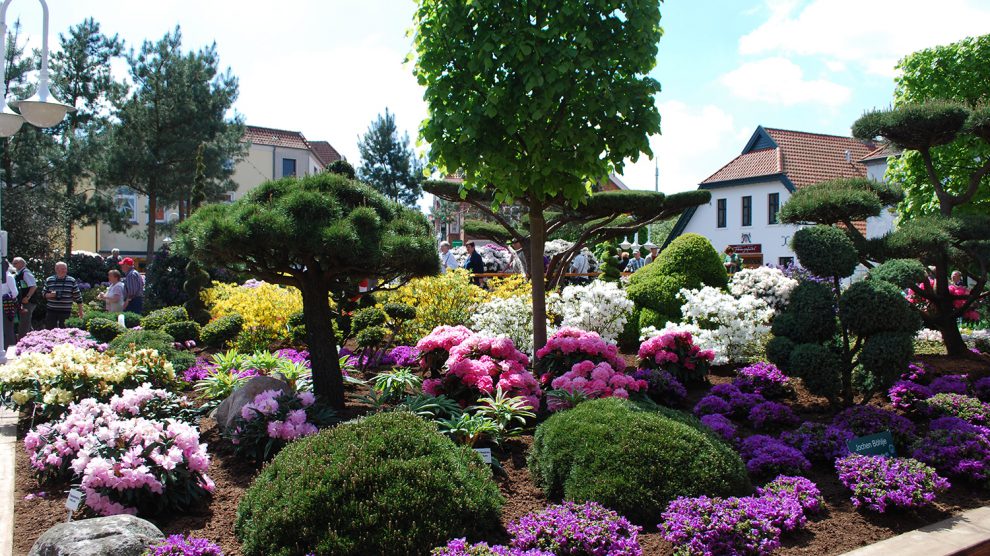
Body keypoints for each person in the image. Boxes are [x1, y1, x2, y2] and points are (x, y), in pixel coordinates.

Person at [43, 261, 84, 329]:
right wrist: (51, 295)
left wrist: (80, 311)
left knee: (65, 331)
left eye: (65, 268)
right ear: (56, 269)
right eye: (61, 268)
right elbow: (44, 294)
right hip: (51, 310)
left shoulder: (72, 280)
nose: (64, 270)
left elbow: (78, 297)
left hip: (65, 311)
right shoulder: (49, 280)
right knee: (49, 330)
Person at [12, 257, 37, 338]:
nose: (13, 265)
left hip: (28, 302)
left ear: (22, 264)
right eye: (13, 263)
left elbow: (33, 286)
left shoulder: (25, 273)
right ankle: (35, 339)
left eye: (15, 263)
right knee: (27, 324)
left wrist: (27, 297)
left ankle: (22, 342)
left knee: (24, 323)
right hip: (22, 301)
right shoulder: (18, 273)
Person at [1, 260, 17, 349]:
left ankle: (10, 349)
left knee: (7, 329)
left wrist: (4, 297)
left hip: (6, 305)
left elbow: (15, 292)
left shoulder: (9, 277)